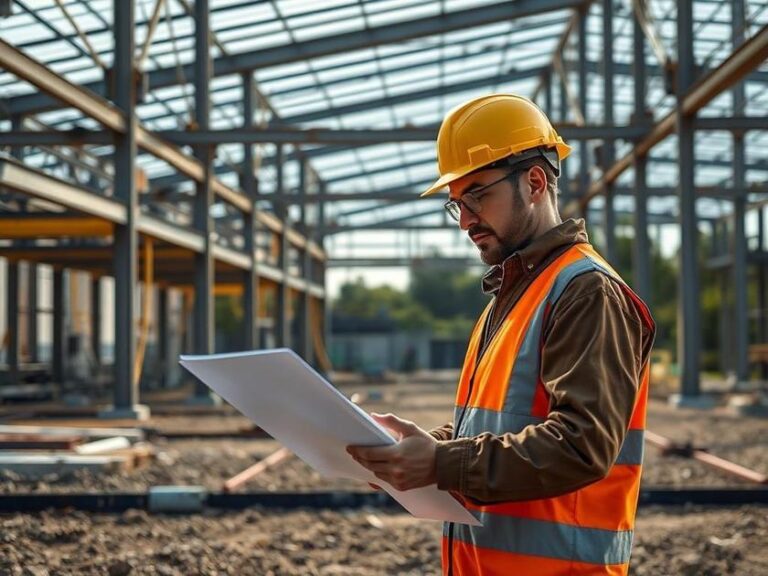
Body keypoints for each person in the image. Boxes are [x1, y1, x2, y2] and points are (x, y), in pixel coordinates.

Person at [347, 93, 655, 576]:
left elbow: (581, 446)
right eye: (456, 205)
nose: (466, 220)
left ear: (534, 182)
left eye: (477, 195)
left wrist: (441, 464)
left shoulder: (586, 292)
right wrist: (426, 447)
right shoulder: (513, 295)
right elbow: (503, 427)